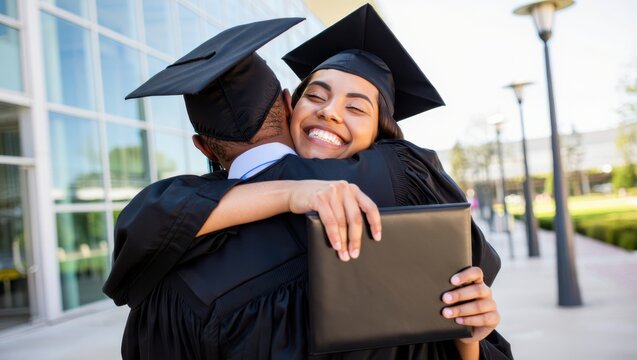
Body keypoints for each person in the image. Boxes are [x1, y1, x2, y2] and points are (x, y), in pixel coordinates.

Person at [105, 5, 512, 359]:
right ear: (289, 103)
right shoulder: (403, 181)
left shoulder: (172, 251)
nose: (331, 113)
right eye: (316, 96)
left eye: (356, 107)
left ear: (203, 148)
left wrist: (467, 332)